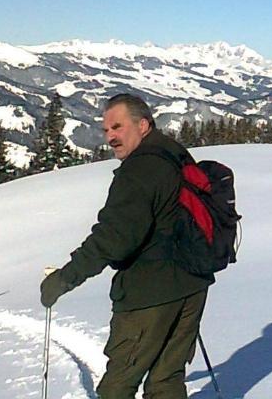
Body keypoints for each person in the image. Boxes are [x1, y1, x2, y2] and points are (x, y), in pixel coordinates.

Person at [40, 93, 212, 399]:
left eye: (117, 127)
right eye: (107, 130)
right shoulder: (173, 152)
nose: (111, 137)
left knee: (118, 384)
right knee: (166, 381)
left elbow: (114, 238)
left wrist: (65, 278)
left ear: (143, 125)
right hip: (191, 285)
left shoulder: (139, 170)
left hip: (150, 293)